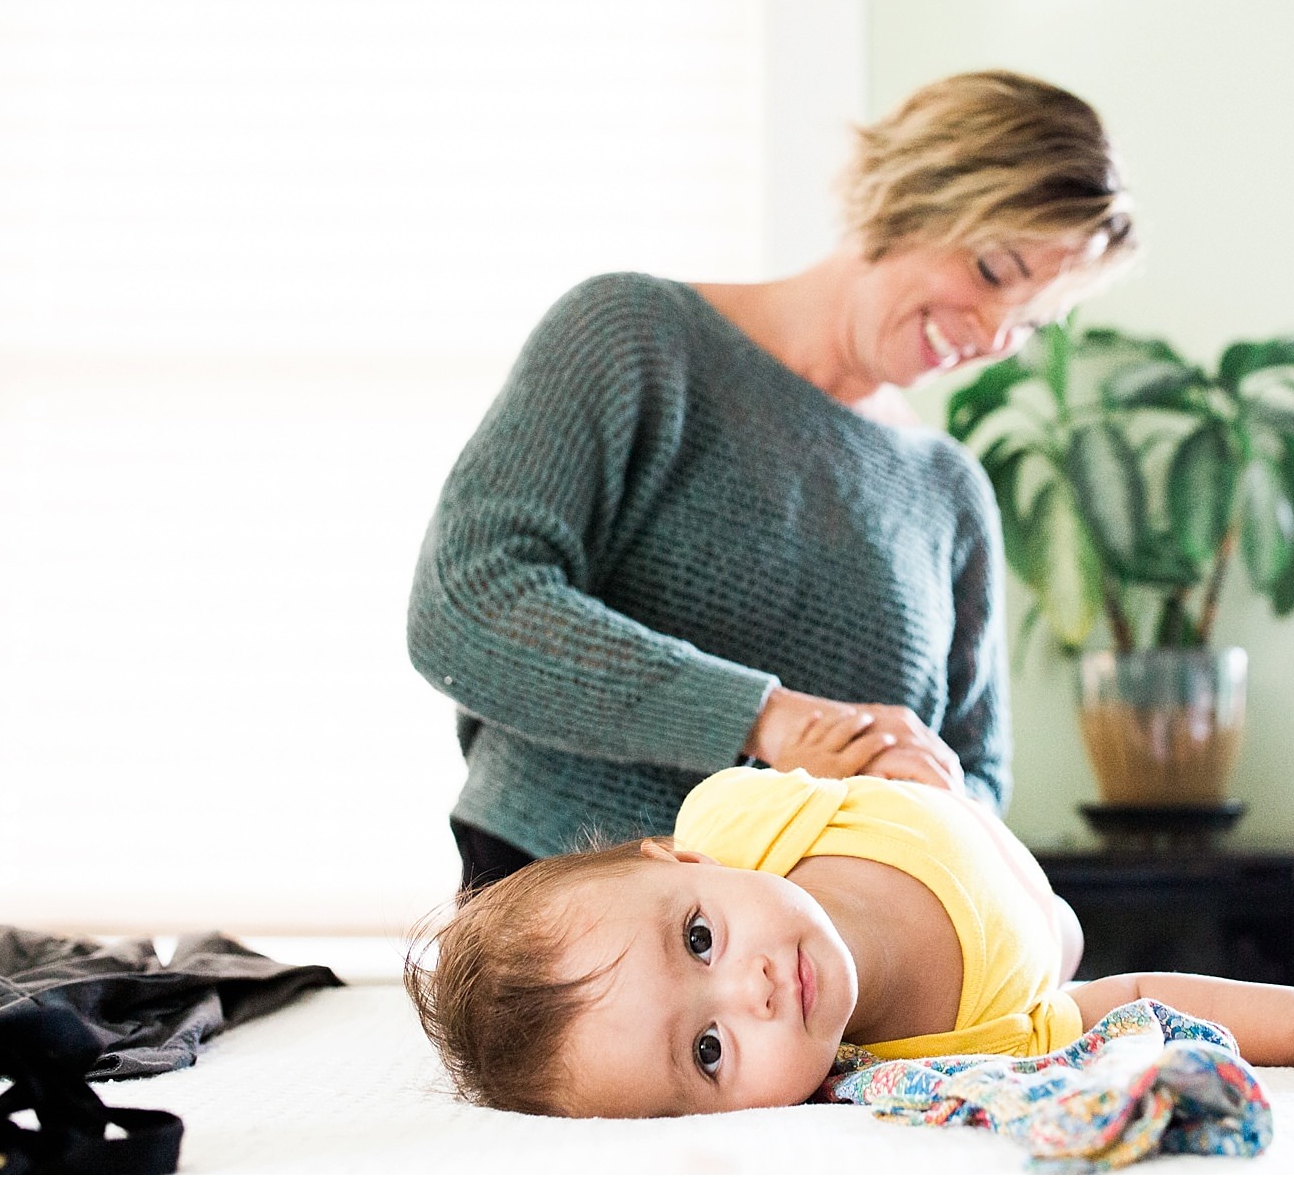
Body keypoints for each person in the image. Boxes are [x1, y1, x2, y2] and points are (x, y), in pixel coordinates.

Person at [407, 71, 1138, 891]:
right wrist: (766, 720)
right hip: (566, 905)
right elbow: (466, 601)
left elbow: (977, 782)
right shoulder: (634, 339)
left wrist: (918, 794)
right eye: (995, 270)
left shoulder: (949, 492)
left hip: (823, 971)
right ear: (914, 191)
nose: (998, 335)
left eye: (1033, 319)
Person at [406, 766, 1294, 1118]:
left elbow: (842, 741)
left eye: (697, 938)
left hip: (943, 804)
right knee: (1078, 941)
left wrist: (906, 755)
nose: (754, 988)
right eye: (708, 1049)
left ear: (679, 858)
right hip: (1042, 927)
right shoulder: (951, 1049)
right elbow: (1128, 995)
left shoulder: (740, 817)